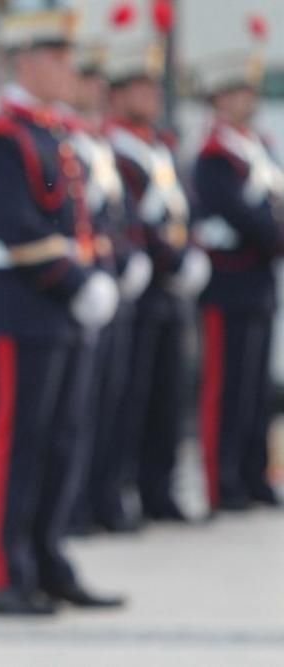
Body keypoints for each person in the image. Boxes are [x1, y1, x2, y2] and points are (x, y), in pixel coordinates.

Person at [0, 8, 122, 616]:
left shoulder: (54, 133)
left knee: (63, 439)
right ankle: (7, 574)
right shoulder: (2, 137)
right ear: (25, 63)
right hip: (24, 309)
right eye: (56, 58)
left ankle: (48, 559)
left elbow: (85, 219)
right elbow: (15, 225)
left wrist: (98, 275)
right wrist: (77, 280)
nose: (68, 69)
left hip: (61, 312)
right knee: (18, 443)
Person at [104, 10, 210, 522]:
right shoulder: (117, 148)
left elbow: (182, 207)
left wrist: (190, 253)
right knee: (133, 397)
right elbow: (131, 219)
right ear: (119, 94)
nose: (149, 95)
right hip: (143, 286)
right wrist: (168, 255)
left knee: (171, 395)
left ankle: (159, 490)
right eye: (138, 87)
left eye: (151, 86)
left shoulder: (160, 147)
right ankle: (123, 492)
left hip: (171, 286)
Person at [192, 16, 284, 511]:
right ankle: (221, 483)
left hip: (259, 282)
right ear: (220, 99)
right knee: (225, 393)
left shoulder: (257, 151)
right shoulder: (214, 158)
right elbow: (250, 218)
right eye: (237, 92)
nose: (247, 100)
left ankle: (253, 476)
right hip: (228, 285)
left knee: (255, 392)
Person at [63, 43, 152, 534]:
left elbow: (118, 217)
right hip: (79, 288)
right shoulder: (68, 140)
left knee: (111, 404)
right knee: (79, 412)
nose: (95, 89)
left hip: (109, 283)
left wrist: (129, 255)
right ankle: (75, 509)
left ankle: (100, 499)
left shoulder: (95, 143)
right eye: (87, 78)